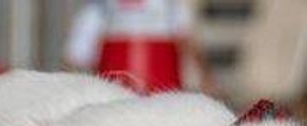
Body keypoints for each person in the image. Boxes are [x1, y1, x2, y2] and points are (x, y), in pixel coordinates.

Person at [64, 0, 216, 95]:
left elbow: (77, 55)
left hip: (160, 85)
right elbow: (77, 55)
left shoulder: (170, 5)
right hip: (119, 91)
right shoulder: (99, 7)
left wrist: (205, 76)